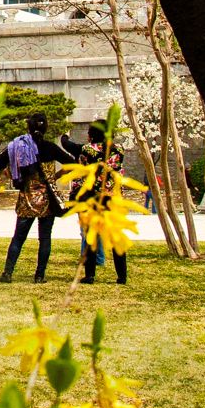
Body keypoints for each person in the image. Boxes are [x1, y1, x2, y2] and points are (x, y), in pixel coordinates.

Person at [0, 114, 75, 283]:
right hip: (47, 200)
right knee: (44, 238)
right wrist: (55, 176)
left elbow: (0, 163)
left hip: (27, 198)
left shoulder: (19, 147)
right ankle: (39, 275)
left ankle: (7, 272)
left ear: (28, 128)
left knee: (18, 238)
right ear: (46, 128)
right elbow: (71, 161)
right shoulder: (50, 148)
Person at [70, 121, 129, 285]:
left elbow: (68, 145)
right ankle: (122, 276)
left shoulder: (87, 149)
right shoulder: (119, 149)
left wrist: (63, 137)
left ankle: (90, 275)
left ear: (92, 134)